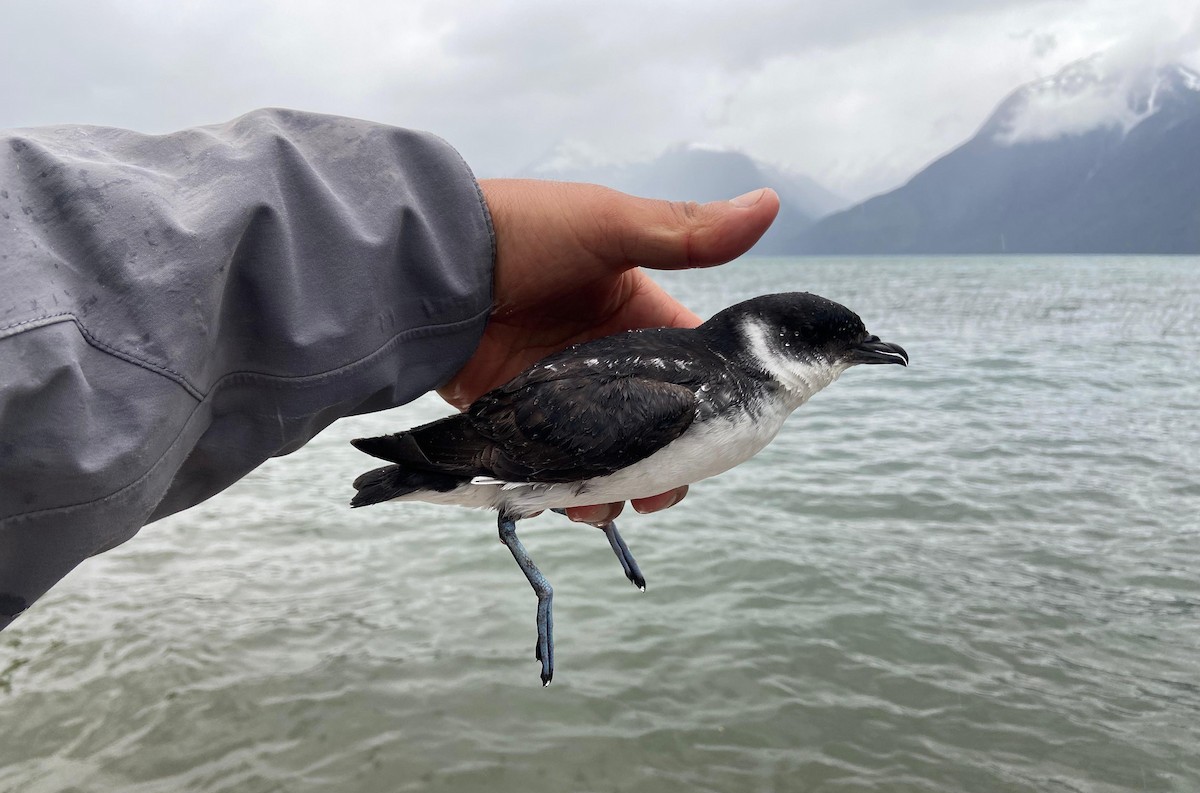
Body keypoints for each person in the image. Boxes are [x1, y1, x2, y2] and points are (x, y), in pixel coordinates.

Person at [0, 108, 779, 629]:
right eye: (831, 344)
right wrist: (469, 255)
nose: (853, 356)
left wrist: (467, 266)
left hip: (510, 402)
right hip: (494, 453)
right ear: (772, 340)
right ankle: (544, 585)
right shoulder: (685, 389)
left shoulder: (697, 381)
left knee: (612, 472)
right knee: (581, 474)